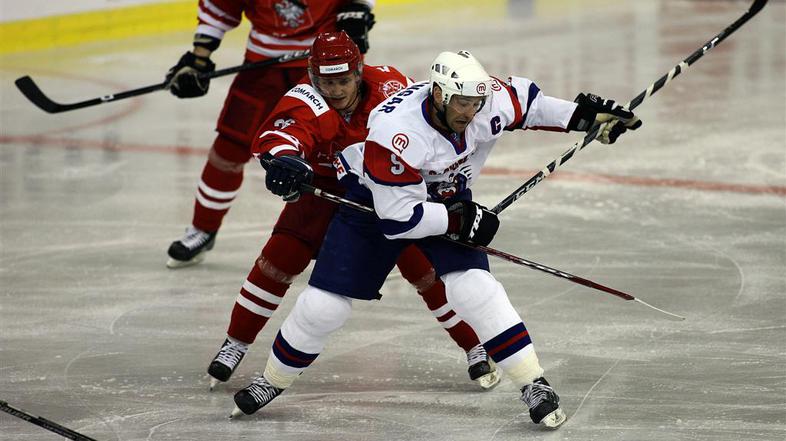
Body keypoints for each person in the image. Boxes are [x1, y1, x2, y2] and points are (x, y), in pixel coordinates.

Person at [230, 50, 642, 428]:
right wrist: (459, 219)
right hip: (374, 202)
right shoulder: (397, 131)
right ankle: (272, 380)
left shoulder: (485, 101)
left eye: (475, 102)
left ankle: (533, 382)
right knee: (324, 307)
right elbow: (399, 220)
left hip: (443, 198)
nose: (469, 111)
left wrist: (585, 119)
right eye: (461, 103)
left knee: (474, 287)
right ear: (440, 95)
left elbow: (530, 104)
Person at [204, 33, 500, 393]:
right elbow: (280, 136)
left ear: (359, 71)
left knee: (425, 271)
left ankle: (473, 345)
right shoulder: (305, 97)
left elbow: (430, 123)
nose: (336, 90)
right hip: (324, 190)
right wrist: (284, 161)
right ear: (313, 76)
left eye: (343, 80)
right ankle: (236, 342)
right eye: (327, 82)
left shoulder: (391, 85)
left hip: (387, 191)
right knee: (279, 260)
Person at [163, 0, 376, 268]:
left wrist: (357, 8)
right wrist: (198, 59)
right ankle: (203, 228)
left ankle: (373, 236)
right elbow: (221, 7)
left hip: (329, 66)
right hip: (262, 66)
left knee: (346, 151)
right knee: (229, 147)